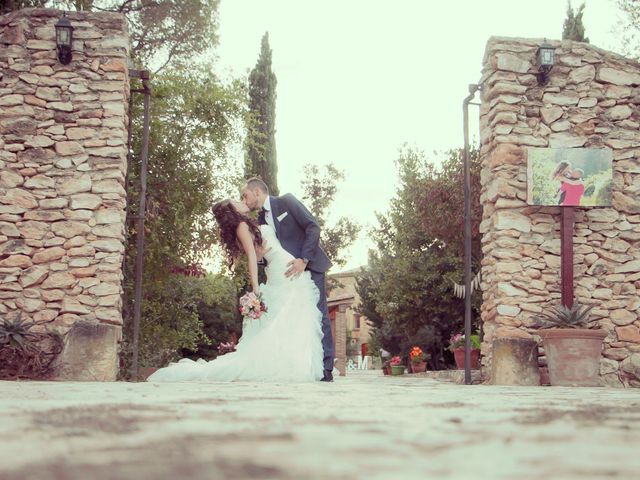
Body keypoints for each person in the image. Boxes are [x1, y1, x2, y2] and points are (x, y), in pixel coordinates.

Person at [147, 198, 325, 383]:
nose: (241, 201)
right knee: (288, 316)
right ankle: (288, 365)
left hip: (282, 265)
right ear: (232, 210)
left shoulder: (248, 224)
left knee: (291, 317)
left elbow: (256, 254)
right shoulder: (241, 225)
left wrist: (261, 255)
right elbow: (250, 257)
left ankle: (292, 362)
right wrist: (255, 289)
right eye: (236, 201)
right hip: (283, 271)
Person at [241, 177, 335, 382]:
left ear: (257, 192)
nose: (244, 200)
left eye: (245, 195)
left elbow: (313, 227)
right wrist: (259, 260)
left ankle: (326, 369)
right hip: (287, 276)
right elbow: (270, 254)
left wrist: (304, 259)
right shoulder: (261, 222)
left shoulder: (286, 201)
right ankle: (304, 364)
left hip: (309, 265)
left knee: (319, 314)